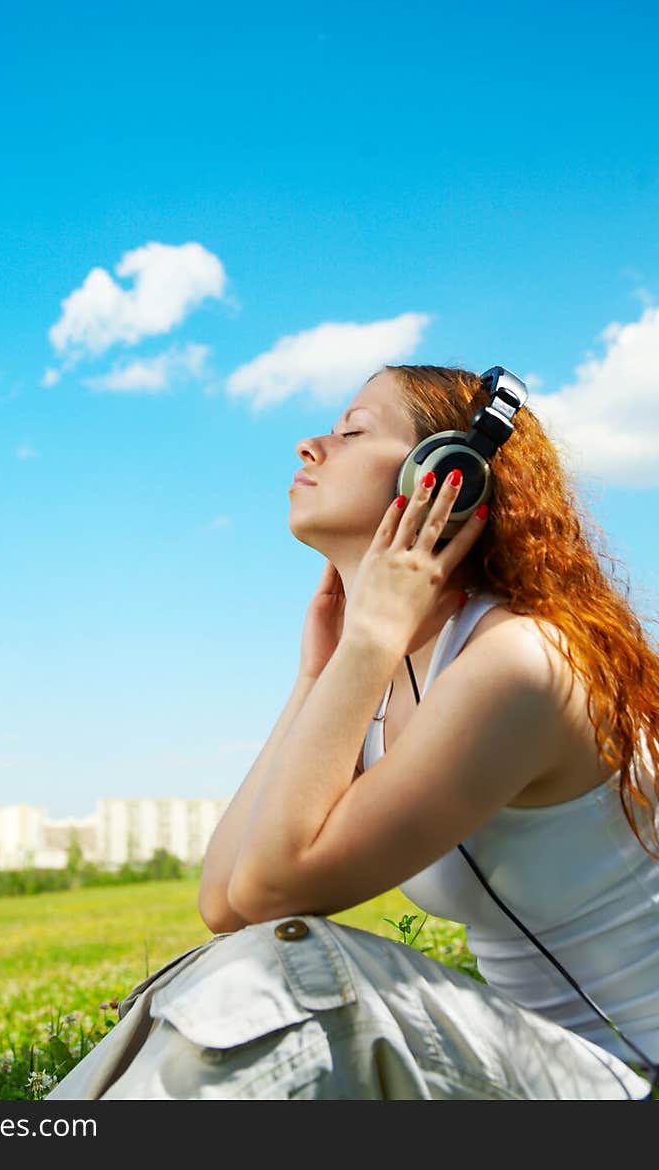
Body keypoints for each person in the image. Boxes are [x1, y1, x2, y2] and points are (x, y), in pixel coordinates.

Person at [46, 363, 659, 1100]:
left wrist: (367, 640)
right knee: (239, 962)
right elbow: (225, 901)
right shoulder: (387, 668)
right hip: (543, 1064)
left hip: (625, 1080)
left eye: (351, 431)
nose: (308, 445)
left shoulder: (517, 661)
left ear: (446, 478)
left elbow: (273, 890)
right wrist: (319, 674)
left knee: (290, 964)